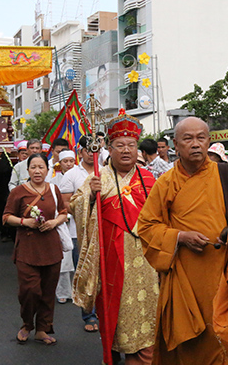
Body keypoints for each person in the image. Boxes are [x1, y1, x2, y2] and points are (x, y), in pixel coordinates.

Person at [138, 117, 228, 365]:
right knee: (193, 342)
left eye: (201, 138)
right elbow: (146, 226)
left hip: (226, 274)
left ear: (208, 141)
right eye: (188, 139)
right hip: (186, 277)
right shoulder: (166, 183)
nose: (195, 144)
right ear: (176, 144)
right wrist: (180, 237)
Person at [71, 110, 158, 365]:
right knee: (117, 314)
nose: (127, 150)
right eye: (120, 145)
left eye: (132, 145)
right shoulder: (99, 178)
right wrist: (89, 196)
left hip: (147, 261)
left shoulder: (148, 178)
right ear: (109, 147)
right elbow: (74, 206)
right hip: (112, 259)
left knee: (149, 315)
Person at [3, 153, 67, 345]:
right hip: (28, 250)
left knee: (48, 292)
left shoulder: (54, 189)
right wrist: (25, 222)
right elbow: (6, 217)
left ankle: (42, 329)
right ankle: (26, 324)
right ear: (27, 170)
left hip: (51, 248)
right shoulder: (18, 192)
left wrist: (55, 221)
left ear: (48, 170)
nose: (38, 171)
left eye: (41, 167)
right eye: (33, 167)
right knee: (29, 291)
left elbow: (64, 213)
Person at [57, 137, 99, 332]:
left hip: (105, 231)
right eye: (87, 149)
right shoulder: (71, 175)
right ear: (80, 152)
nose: (92, 153)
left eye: (95, 149)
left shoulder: (107, 172)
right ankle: (89, 315)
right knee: (84, 272)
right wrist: (87, 210)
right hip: (78, 232)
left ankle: (105, 313)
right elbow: (66, 204)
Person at [49, 149, 77, 304]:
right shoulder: (54, 181)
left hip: (77, 222)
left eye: (71, 161)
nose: (68, 164)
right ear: (60, 163)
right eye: (65, 161)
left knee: (78, 259)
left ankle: (77, 291)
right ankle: (63, 291)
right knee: (64, 259)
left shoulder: (79, 177)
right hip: (62, 221)